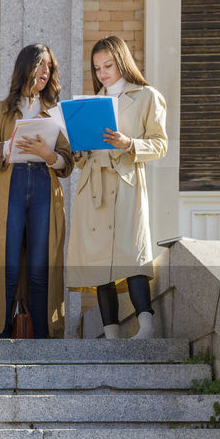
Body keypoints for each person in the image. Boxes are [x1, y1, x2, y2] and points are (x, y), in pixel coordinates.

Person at [65, 36, 168, 339]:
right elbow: (87, 156)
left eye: (108, 65)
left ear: (122, 61)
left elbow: (160, 145)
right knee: (99, 262)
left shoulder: (147, 96)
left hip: (125, 183)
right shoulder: (92, 103)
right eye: (97, 68)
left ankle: (146, 325)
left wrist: (129, 144)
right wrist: (79, 152)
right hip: (93, 188)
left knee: (131, 254)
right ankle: (110, 335)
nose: (103, 73)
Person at [0, 44, 74, 338]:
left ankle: (45, 340)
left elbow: (67, 163)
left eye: (49, 67)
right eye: (40, 65)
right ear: (25, 68)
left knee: (39, 268)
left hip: (44, 186)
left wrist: (47, 153)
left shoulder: (55, 114)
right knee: (5, 268)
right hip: (11, 186)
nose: (45, 72)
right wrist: (12, 144)